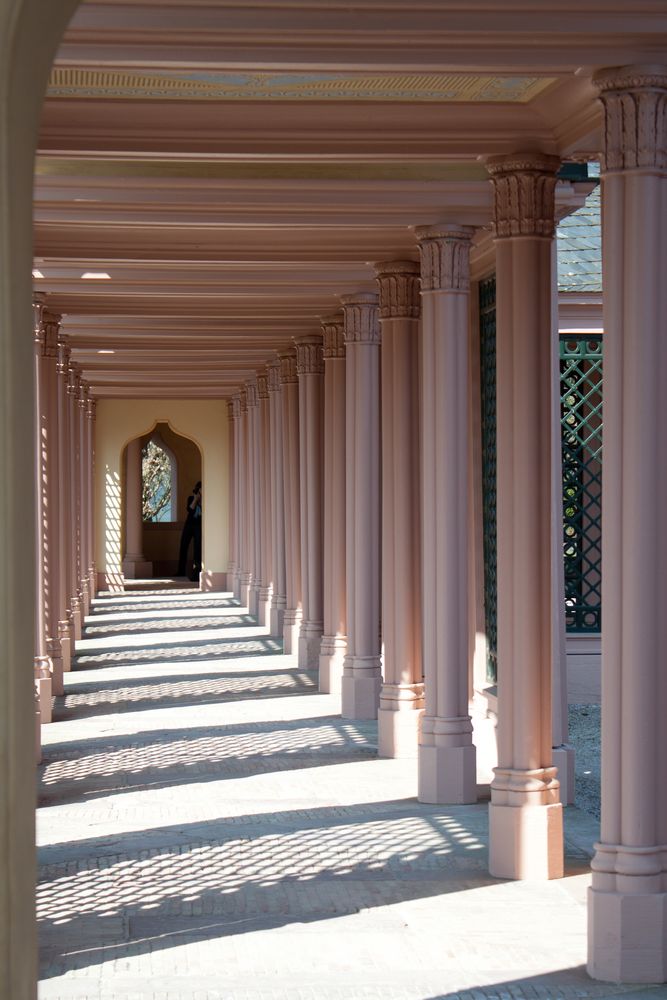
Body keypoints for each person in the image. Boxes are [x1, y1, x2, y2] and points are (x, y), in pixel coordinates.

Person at [177, 481, 202, 580]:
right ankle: (180, 571)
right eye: (198, 490)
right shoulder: (191, 498)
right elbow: (190, 510)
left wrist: (201, 501)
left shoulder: (206, 500)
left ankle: (196, 573)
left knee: (197, 549)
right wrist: (196, 499)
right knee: (183, 546)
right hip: (189, 525)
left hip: (198, 527)